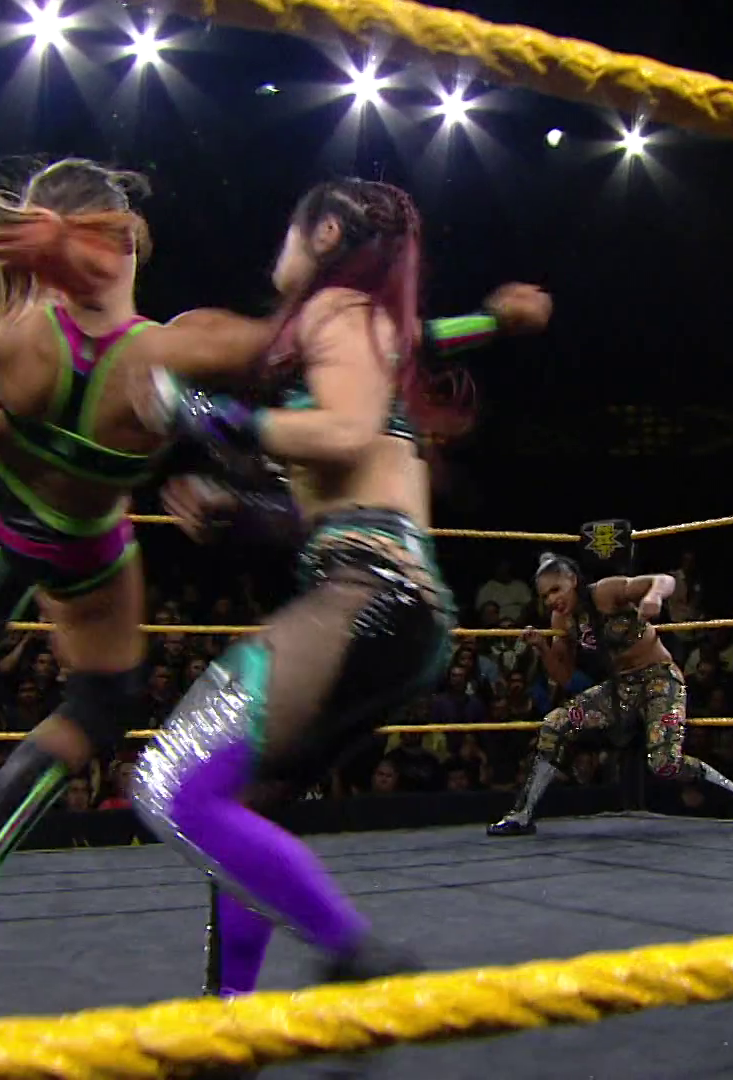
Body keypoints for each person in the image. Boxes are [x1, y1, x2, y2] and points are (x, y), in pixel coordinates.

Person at [0, 157, 549, 954]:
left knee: (179, 777)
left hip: (5, 495)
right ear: (130, 241)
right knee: (138, 733)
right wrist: (487, 323)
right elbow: (368, 346)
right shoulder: (180, 346)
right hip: (109, 550)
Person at [130, 177, 478, 999]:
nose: (277, 247)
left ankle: (356, 954)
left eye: (291, 227)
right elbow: (329, 498)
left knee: (171, 782)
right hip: (389, 600)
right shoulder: (366, 343)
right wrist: (238, 509)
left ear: (324, 232)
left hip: (369, 592)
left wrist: (205, 415)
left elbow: (345, 434)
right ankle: (232, 1014)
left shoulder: (339, 309)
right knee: (238, 808)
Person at [487, 552, 733, 835]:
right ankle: (522, 814)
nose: (552, 600)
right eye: (545, 596)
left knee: (664, 763)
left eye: (555, 590)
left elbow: (665, 580)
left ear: (572, 580)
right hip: (620, 688)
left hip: (660, 678)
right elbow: (564, 677)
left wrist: (654, 597)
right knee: (555, 723)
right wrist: (542, 648)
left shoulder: (605, 592)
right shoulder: (561, 620)